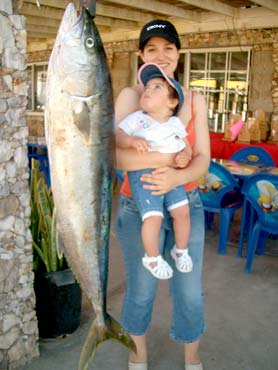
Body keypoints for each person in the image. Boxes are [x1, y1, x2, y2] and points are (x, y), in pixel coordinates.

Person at [115, 18, 210, 370]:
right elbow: (116, 155)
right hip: (136, 205)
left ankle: (192, 356)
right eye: (152, 48)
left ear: (179, 53)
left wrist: (176, 178)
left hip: (187, 203)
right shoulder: (132, 95)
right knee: (141, 289)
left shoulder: (193, 99)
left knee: (189, 291)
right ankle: (137, 356)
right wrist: (170, 162)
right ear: (141, 55)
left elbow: (203, 160)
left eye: (168, 48)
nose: (162, 55)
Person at [116, 62, 193, 280]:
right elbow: (118, 136)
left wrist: (184, 156)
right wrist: (131, 140)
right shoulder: (137, 119)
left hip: (172, 172)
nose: (148, 90)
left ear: (172, 101)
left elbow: (187, 146)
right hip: (145, 173)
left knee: (182, 212)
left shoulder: (175, 123)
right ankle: (152, 257)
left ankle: (181, 250)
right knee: (153, 217)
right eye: (147, 87)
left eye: (157, 87)